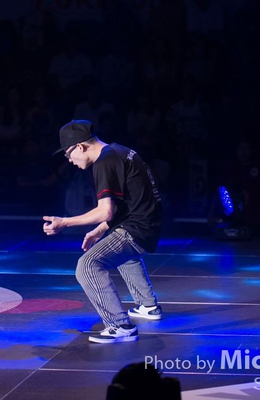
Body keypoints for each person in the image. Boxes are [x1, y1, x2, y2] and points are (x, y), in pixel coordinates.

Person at [43, 120, 163, 344]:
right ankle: (148, 306)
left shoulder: (104, 162)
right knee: (119, 252)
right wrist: (101, 229)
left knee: (87, 265)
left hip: (137, 228)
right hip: (147, 224)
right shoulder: (119, 151)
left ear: (80, 146)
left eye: (68, 154)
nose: (69, 160)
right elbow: (128, 203)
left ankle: (119, 325)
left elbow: (105, 211)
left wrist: (64, 222)